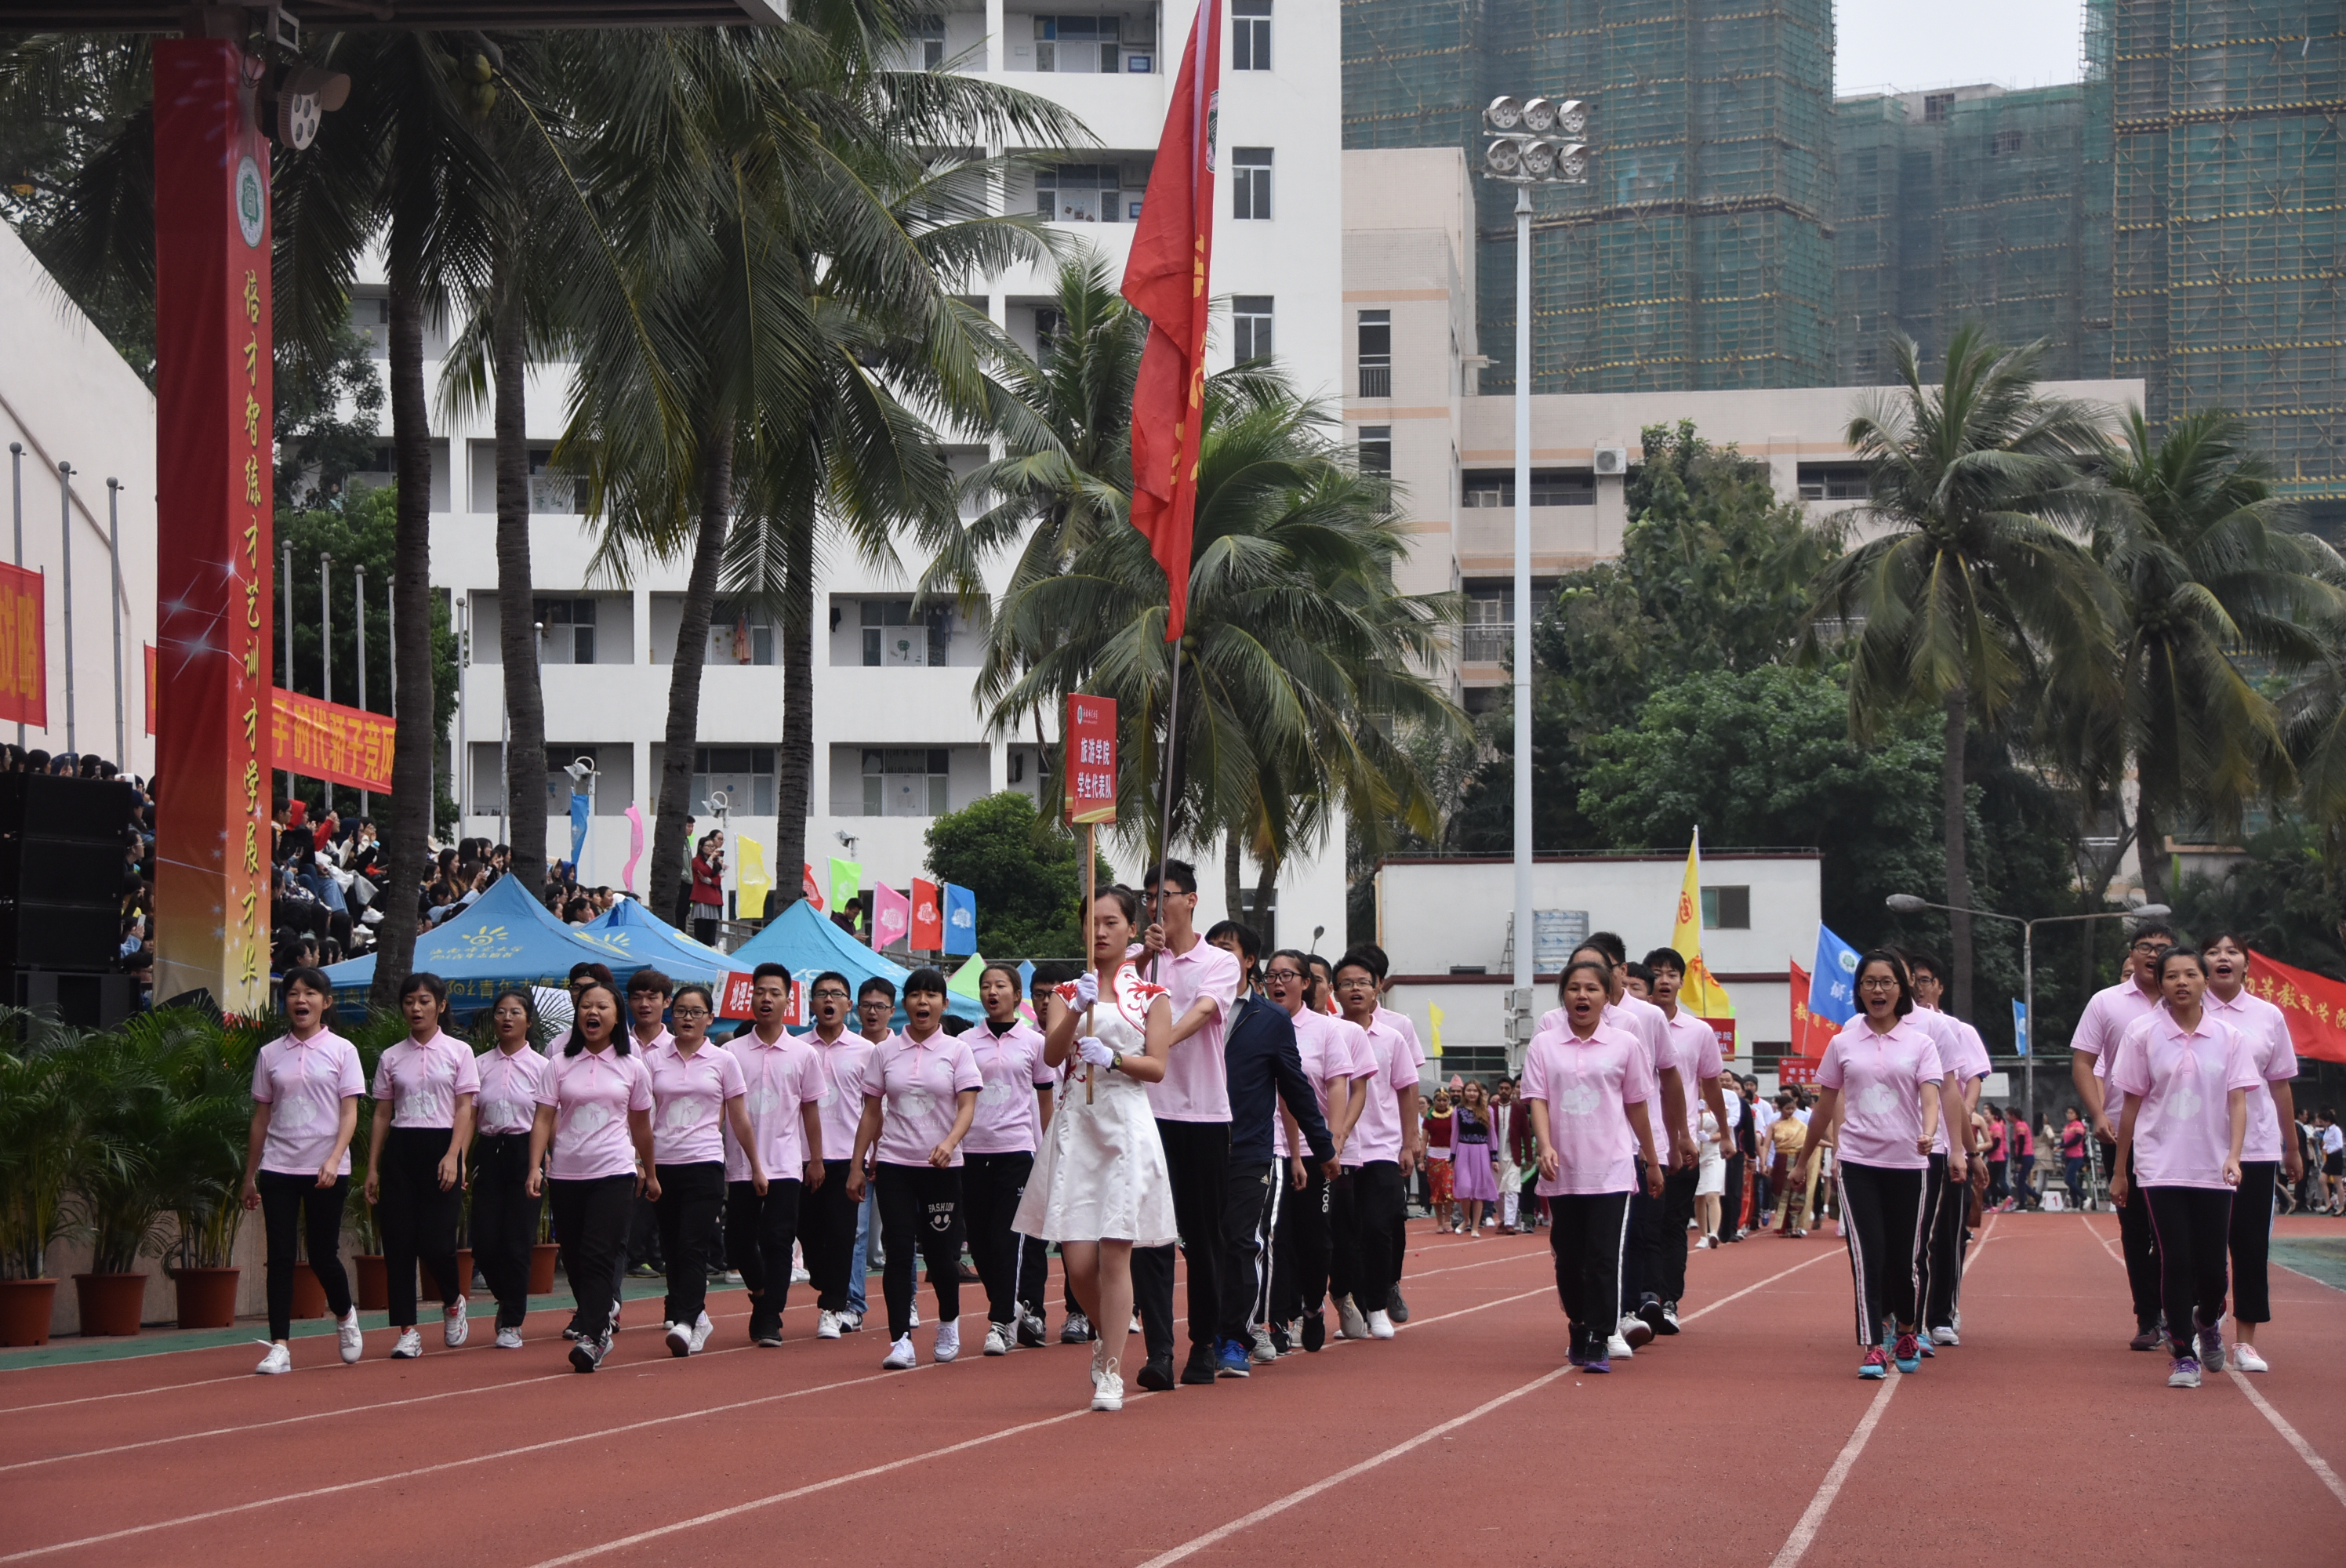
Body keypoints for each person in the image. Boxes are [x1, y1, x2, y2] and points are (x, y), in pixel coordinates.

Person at [1016, 886, 1178, 1411]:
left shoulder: (1152, 996)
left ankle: (1110, 1369)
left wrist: (1113, 1057)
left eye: (1112, 922)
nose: (1102, 931)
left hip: (1125, 1124)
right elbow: (1051, 1054)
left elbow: (1155, 1067)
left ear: (1132, 929)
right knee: (1077, 1261)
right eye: (1093, 921)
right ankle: (1110, 1337)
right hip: (1077, 1123)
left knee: (1115, 1255)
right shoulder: (1068, 990)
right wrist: (1078, 1006)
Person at [2107, 947, 2256, 1388]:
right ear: (2162, 983)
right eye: (2172, 975)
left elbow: (2237, 1101)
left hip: (2212, 1166)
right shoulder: (2142, 1034)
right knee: (2175, 1259)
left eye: (2191, 974)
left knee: (2213, 1268)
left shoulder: (2230, 1038)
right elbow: (2130, 1105)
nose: (2182, 982)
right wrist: (2121, 1169)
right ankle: (2183, 1353)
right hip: (2160, 1166)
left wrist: (2233, 1155)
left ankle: (2207, 1320)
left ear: (2205, 980)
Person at [1796, 949, 1945, 1378]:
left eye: (1887, 982)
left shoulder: (1921, 1043)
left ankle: (1906, 1330)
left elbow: (1930, 1098)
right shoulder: (1843, 1042)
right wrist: (1803, 1159)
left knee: (1905, 1258)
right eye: (1869, 983)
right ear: (1859, 991)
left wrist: (1928, 1133)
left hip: (1908, 1163)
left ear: (1901, 989)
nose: (1877, 990)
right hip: (1858, 1161)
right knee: (1867, 1255)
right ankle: (1873, 1344)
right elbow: (1824, 1107)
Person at [1130, 858, 1243, 1391]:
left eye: (1164, 894)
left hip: (1199, 1114)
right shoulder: (1137, 963)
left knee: (1203, 1238)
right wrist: (1145, 957)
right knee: (1148, 1237)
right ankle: (1159, 1349)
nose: (1155, 904)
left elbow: (1201, 1013)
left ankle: (1204, 1342)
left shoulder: (1218, 962)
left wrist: (1158, 1043)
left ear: (1190, 900)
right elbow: (1114, 1004)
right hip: (1145, 1113)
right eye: (1147, 895)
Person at [1521, 956, 1661, 1372]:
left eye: (1592, 989)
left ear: (1607, 997)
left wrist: (1651, 1161)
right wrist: (1545, 1146)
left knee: (1603, 1256)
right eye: (1573, 989)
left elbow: (1638, 1107)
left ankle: (1600, 1336)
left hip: (1612, 1168)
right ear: (1563, 996)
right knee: (1568, 1257)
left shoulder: (1626, 1045)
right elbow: (1538, 1100)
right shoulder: (1544, 1044)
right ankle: (1578, 1323)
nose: (1582, 996)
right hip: (1562, 1170)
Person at [848, 967, 981, 1370]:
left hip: (941, 1167)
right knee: (899, 1252)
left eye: (932, 996)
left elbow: (968, 1106)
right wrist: (858, 1165)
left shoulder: (958, 1051)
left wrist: (949, 1143)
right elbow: (871, 1112)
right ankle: (900, 1339)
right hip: (894, 1165)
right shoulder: (885, 1052)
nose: (923, 1003)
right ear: (904, 1004)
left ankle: (948, 1322)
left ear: (943, 1004)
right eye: (916, 995)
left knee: (942, 1257)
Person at [242, 967, 367, 1375]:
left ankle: (345, 1314)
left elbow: (349, 1114)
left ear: (325, 1003)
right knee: (279, 1256)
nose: (301, 1000)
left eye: (311, 993)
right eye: (294, 993)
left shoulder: (343, 1051)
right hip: (279, 1165)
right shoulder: (269, 1054)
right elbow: (261, 1118)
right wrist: (250, 1174)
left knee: (321, 1255)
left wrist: (333, 1159)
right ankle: (279, 1345)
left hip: (326, 1168)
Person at [528, 980, 656, 1373]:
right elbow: (544, 1117)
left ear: (616, 1016)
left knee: (600, 1252)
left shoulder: (633, 1067)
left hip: (614, 1172)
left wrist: (649, 1172)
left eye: (602, 1006)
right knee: (576, 1256)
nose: (592, 1013)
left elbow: (642, 1126)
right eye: (586, 1006)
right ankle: (593, 1317)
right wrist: (535, 1165)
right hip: (567, 1172)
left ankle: (595, 1333)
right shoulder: (559, 1064)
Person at [1218, 938, 1335, 1370]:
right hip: (1198, 1146)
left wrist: (1322, 1147)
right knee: (1204, 1246)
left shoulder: (1269, 1019)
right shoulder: (1191, 1010)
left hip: (1251, 1149)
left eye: (1227, 950)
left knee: (1243, 1241)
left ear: (1249, 961)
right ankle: (1208, 1333)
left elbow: (1295, 1089)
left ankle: (1237, 1335)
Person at [2185, 933, 2298, 1373]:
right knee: (2202, 1247)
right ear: (2202, 965)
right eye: (2213, 952)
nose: (2222, 958)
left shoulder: (2268, 1016)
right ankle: (2203, 1327)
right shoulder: (2184, 1012)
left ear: (2247, 966)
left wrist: (2291, 1146)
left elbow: (2281, 1084)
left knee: (2250, 1246)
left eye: (2232, 952)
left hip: (2255, 1147)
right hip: (2198, 1146)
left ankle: (2246, 1342)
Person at [2071, 922, 2177, 1348]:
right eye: (2144, 947)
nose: (2152, 955)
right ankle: (2149, 1316)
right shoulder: (2107, 1003)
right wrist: (2097, 1113)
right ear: (2131, 955)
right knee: (2135, 1228)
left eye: (2162, 948)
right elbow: (2083, 1061)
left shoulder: (2189, 1000)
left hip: (2180, 1133)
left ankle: (2178, 1306)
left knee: (2173, 1227)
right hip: (2122, 1130)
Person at [364, 971, 479, 1359]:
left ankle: (452, 1301)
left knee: (436, 1242)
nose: (416, 1008)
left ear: (441, 1006)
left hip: (442, 1146)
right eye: (410, 1001)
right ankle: (407, 1330)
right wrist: (373, 1168)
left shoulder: (459, 1053)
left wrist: (454, 1155)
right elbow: (382, 1113)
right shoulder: (392, 1057)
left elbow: (465, 1107)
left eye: (425, 1001)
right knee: (397, 1243)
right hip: (401, 1149)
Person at [711, 968, 820, 1348]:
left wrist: (816, 1160)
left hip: (787, 1162)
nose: (766, 999)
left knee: (777, 1239)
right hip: (739, 1165)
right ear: (751, 998)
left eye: (775, 992)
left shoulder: (804, 1054)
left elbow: (810, 1111)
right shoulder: (730, 1053)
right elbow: (721, 1109)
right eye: (760, 992)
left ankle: (771, 1315)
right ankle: (760, 1296)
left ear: (789, 1001)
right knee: (739, 1243)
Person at [640, 980, 750, 1355]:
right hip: (663, 1164)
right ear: (672, 1016)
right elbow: (640, 1115)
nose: (688, 1018)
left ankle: (686, 1320)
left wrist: (756, 1165)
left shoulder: (724, 1061)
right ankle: (697, 1315)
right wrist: (643, 1163)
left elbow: (739, 1118)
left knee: (692, 1243)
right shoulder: (652, 1060)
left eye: (696, 1012)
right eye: (682, 1012)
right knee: (671, 1246)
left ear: (710, 1018)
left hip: (704, 1162)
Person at [1261, 948, 1359, 1355]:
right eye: (1271, 975)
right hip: (1268, 1149)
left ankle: (1314, 1305)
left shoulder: (1326, 1030)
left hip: (1312, 1149)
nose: (1279, 982)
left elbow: (1338, 1084)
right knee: (1274, 1239)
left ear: (1306, 983)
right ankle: (1281, 1319)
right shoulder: (1257, 1023)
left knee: (1315, 1239)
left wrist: (1331, 1141)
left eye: (1288, 975)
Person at [961, 961, 1056, 1358]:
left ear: (1017, 996)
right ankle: (1015, 1304)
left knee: (1010, 1237)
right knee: (981, 1244)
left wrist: (1047, 1152)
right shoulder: (965, 1042)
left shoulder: (1035, 1044)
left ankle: (1002, 1320)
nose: (992, 992)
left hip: (1017, 1149)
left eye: (1000, 985)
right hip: (972, 1151)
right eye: (986, 986)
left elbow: (1044, 1099)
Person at [1329, 950, 1421, 1342]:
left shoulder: (1394, 1035)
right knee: (1343, 1232)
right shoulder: (1327, 1031)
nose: (1355, 989)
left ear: (1377, 987)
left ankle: (1378, 1305)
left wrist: (1409, 1141)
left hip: (1383, 1146)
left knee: (1379, 1226)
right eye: (1346, 983)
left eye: (1362, 983)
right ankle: (1351, 1301)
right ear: (1334, 991)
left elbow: (1407, 1089)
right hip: (1340, 1149)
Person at [1641, 946, 1731, 1330]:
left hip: (1682, 1144)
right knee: (1643, 1227)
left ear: (1681, 981)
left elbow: (1711, 1086)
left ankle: (1667, 1301)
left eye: (1671, 974)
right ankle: (1641, 1299)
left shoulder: (1699, 1032)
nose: (1664, 980)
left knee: (1673, 1226)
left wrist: (1725, 1133)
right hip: (1639, 1145)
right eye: (1657, 973)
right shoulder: (1629, 1025)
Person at [1905, 951, 1985, 1346]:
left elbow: (1964, 1084)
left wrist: (1966, 1146)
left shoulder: (1954, 1029)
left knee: (1946, 1235)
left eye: (1923, 979)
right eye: (1911, 979)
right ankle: (1906, 1319)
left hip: (1943, 1143)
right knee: (1910, 1240)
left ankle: (1940, 1315)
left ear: (1938, 985)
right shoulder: (1880, 1029)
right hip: (1901, 1150)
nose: (1917, 986)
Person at [797, 971, 875, 1338]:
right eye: (822, 994)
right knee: (807, 1233)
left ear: (848, 1005)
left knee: (844, 1234)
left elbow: (875, 1107)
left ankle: (834, 1306)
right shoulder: (798, 1048)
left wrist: (871, 1155)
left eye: (837, 994)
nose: (829, 1000)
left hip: (848, 1155)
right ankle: (825, 1282)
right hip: (800, 1156)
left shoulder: (866, 1051)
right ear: (812, 1004)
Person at [471, 988, 550, 1348]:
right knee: (484, 1242)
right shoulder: (479, 1064)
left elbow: (550, 1117)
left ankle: (512, 1322)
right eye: (501, 1012)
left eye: (515, 1012)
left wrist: (547, 1157)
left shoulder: (542, 1067)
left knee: (518, 1240)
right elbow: (468, 1114)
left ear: (528, 1021)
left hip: (526, 1151)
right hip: (488, 1150)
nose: (506, 1019)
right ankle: (507, 1296)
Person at [1452, 1081, 1500, 1236]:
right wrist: (1452, 1155)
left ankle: (1475, 1226)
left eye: (1475, 1091)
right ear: (1464, 1093)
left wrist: (1494, 1157)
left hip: (1481, 1150)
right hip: (1463, 1149)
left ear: (1479, 1093)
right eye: (1469, 1090)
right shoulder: (1458, 1110)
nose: (1472, 1094)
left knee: (1479, 1189)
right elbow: (1455, 1134)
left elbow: (1492, 1135)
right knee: (1465, 1187)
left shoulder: (1488, 1110)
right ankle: (1466, 1219)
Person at [1423, 1088, 1456, 1228]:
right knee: (1436, 1190)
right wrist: (1421, 1158)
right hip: (1433, 1157)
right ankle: (1439, 1222)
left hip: (1449, 1157)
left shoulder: (1454, 1116)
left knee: (1447, 1189)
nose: (1442, 1103)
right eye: (1439, 1100)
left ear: (1448, 1101)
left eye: (1444, 1100)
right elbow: (1424, 1139)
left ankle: (1448, 1219)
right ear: (1434, 1101)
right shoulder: (1429, 1118)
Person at [1694, 1102, 1725, 1246]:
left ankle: (1714, 1232)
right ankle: (1703, 1235)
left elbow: (1725, 1131)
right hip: (1696, 1155)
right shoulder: (1689, 1104)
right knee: (1699, 1195)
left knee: (1712, 1194)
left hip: (1714, 1155)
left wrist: (1709, 1137)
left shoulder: (1718, 1107)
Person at [688, 831, 726, 944]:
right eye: (708, 846)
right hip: (702, 898)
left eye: (712, 846)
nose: (711, 849)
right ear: (701, 847)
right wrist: (711, 859)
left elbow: (718, 878)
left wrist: (708, 880)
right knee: (701, 930)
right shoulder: (696, 861)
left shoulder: (716, 862)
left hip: (713, 897)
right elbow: (704, 870)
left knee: (711, 932)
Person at [2008, 1105, 2036, 1210]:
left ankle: (2022, 1204)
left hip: (2026, 1155)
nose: (2007, 1118)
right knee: (2019, 1180)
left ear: (2013, 1116)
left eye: (2008, 1115)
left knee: (2020, 1180)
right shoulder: (2019, 1125)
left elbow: (2021, 1142)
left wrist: (2018, 1160)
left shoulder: (2020, 1125)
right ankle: (2036, 1196)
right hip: (2026, 1155)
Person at [2061, 1107, 2090, 1210]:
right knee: (2072, 1181)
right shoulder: (2067, 1126)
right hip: (2068, 1156)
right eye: (2068, 1113)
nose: (2069, 1115)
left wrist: (2063, 1146)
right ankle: (2075, 1204)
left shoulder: (2078, 1125)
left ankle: (2085, 1197)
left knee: (2068, 1180)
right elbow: (2064, 1140)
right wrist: (2060, 1146)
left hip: (2077, 1156)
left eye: (2071, 1113)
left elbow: (2077, 1140)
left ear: (2076, 1115)